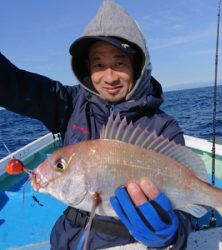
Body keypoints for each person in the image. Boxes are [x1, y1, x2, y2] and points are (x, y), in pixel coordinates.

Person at [0, 0, 192, 249]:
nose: (109, 77)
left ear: (137, 65)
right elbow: (15, 85)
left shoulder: (164, 128)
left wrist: (172, 234)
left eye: (119, 63)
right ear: (87, 68)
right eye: (98, 64)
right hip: (66, 239)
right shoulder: (70, 104)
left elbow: (188, 203)